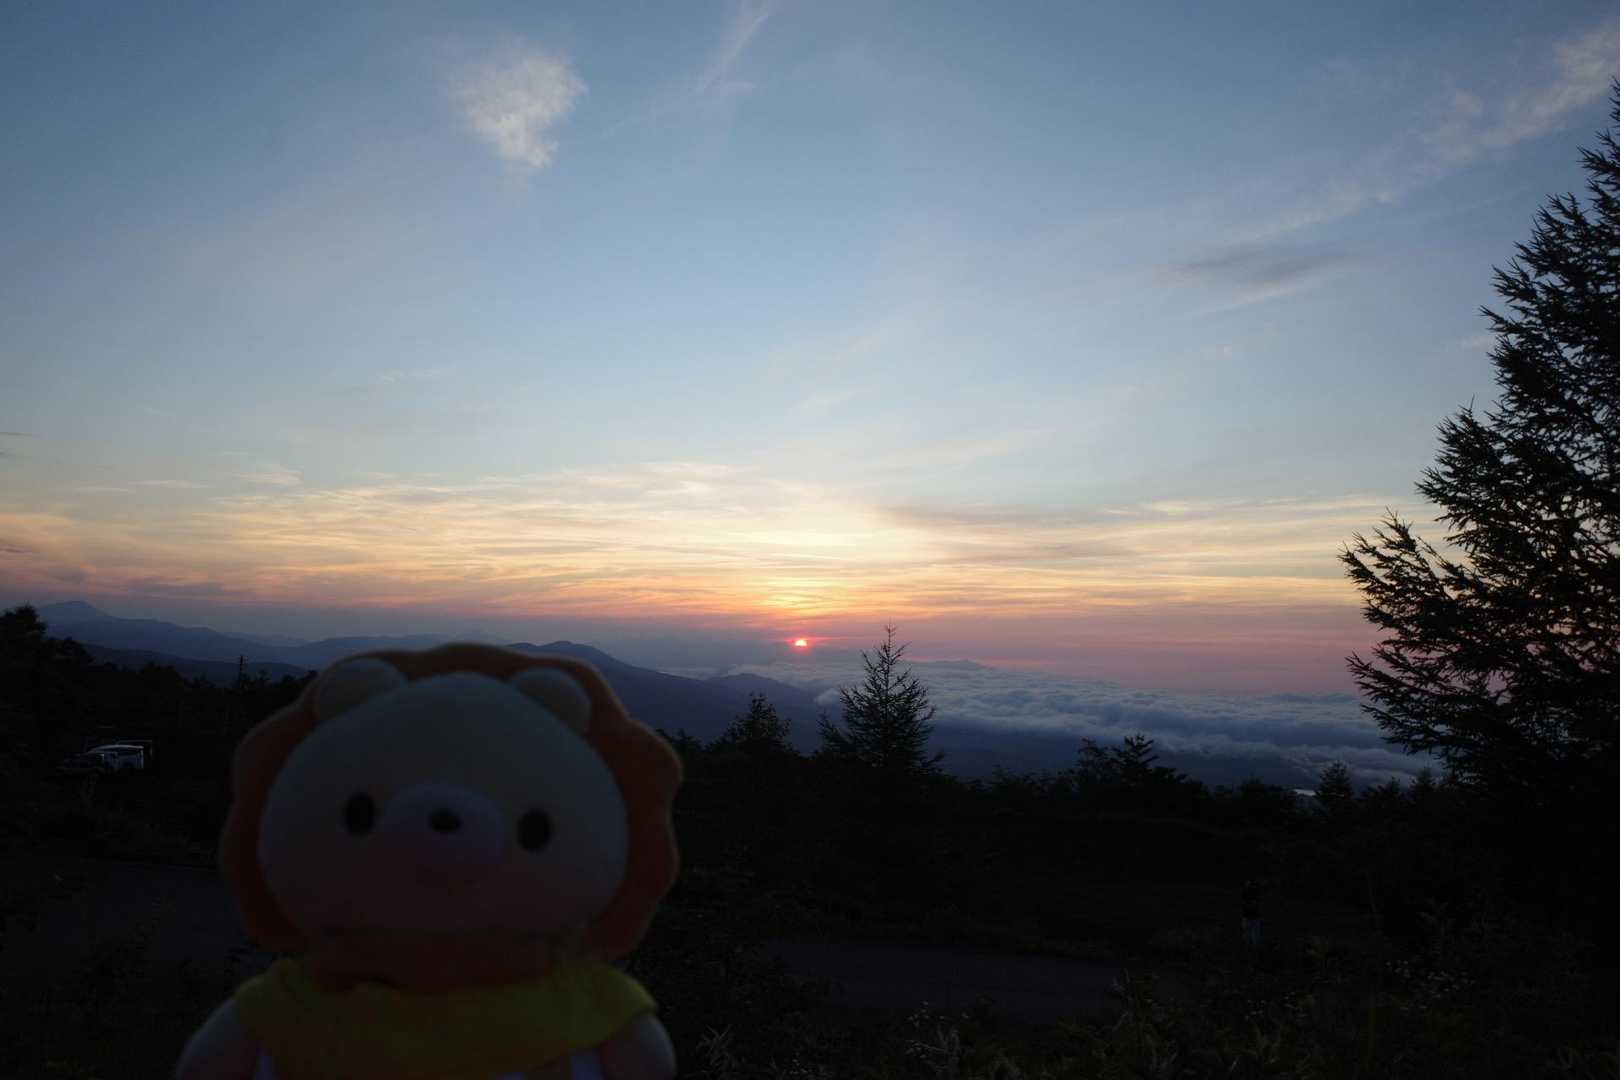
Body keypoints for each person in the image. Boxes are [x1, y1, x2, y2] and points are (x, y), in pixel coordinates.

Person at [1241, 879, 1262, 948]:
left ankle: (1253, 948)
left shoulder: (1255, 893)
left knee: (1253, 936)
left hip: (1253, 917)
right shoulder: (1245, 893)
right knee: (1248, 936)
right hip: (1249, 917)